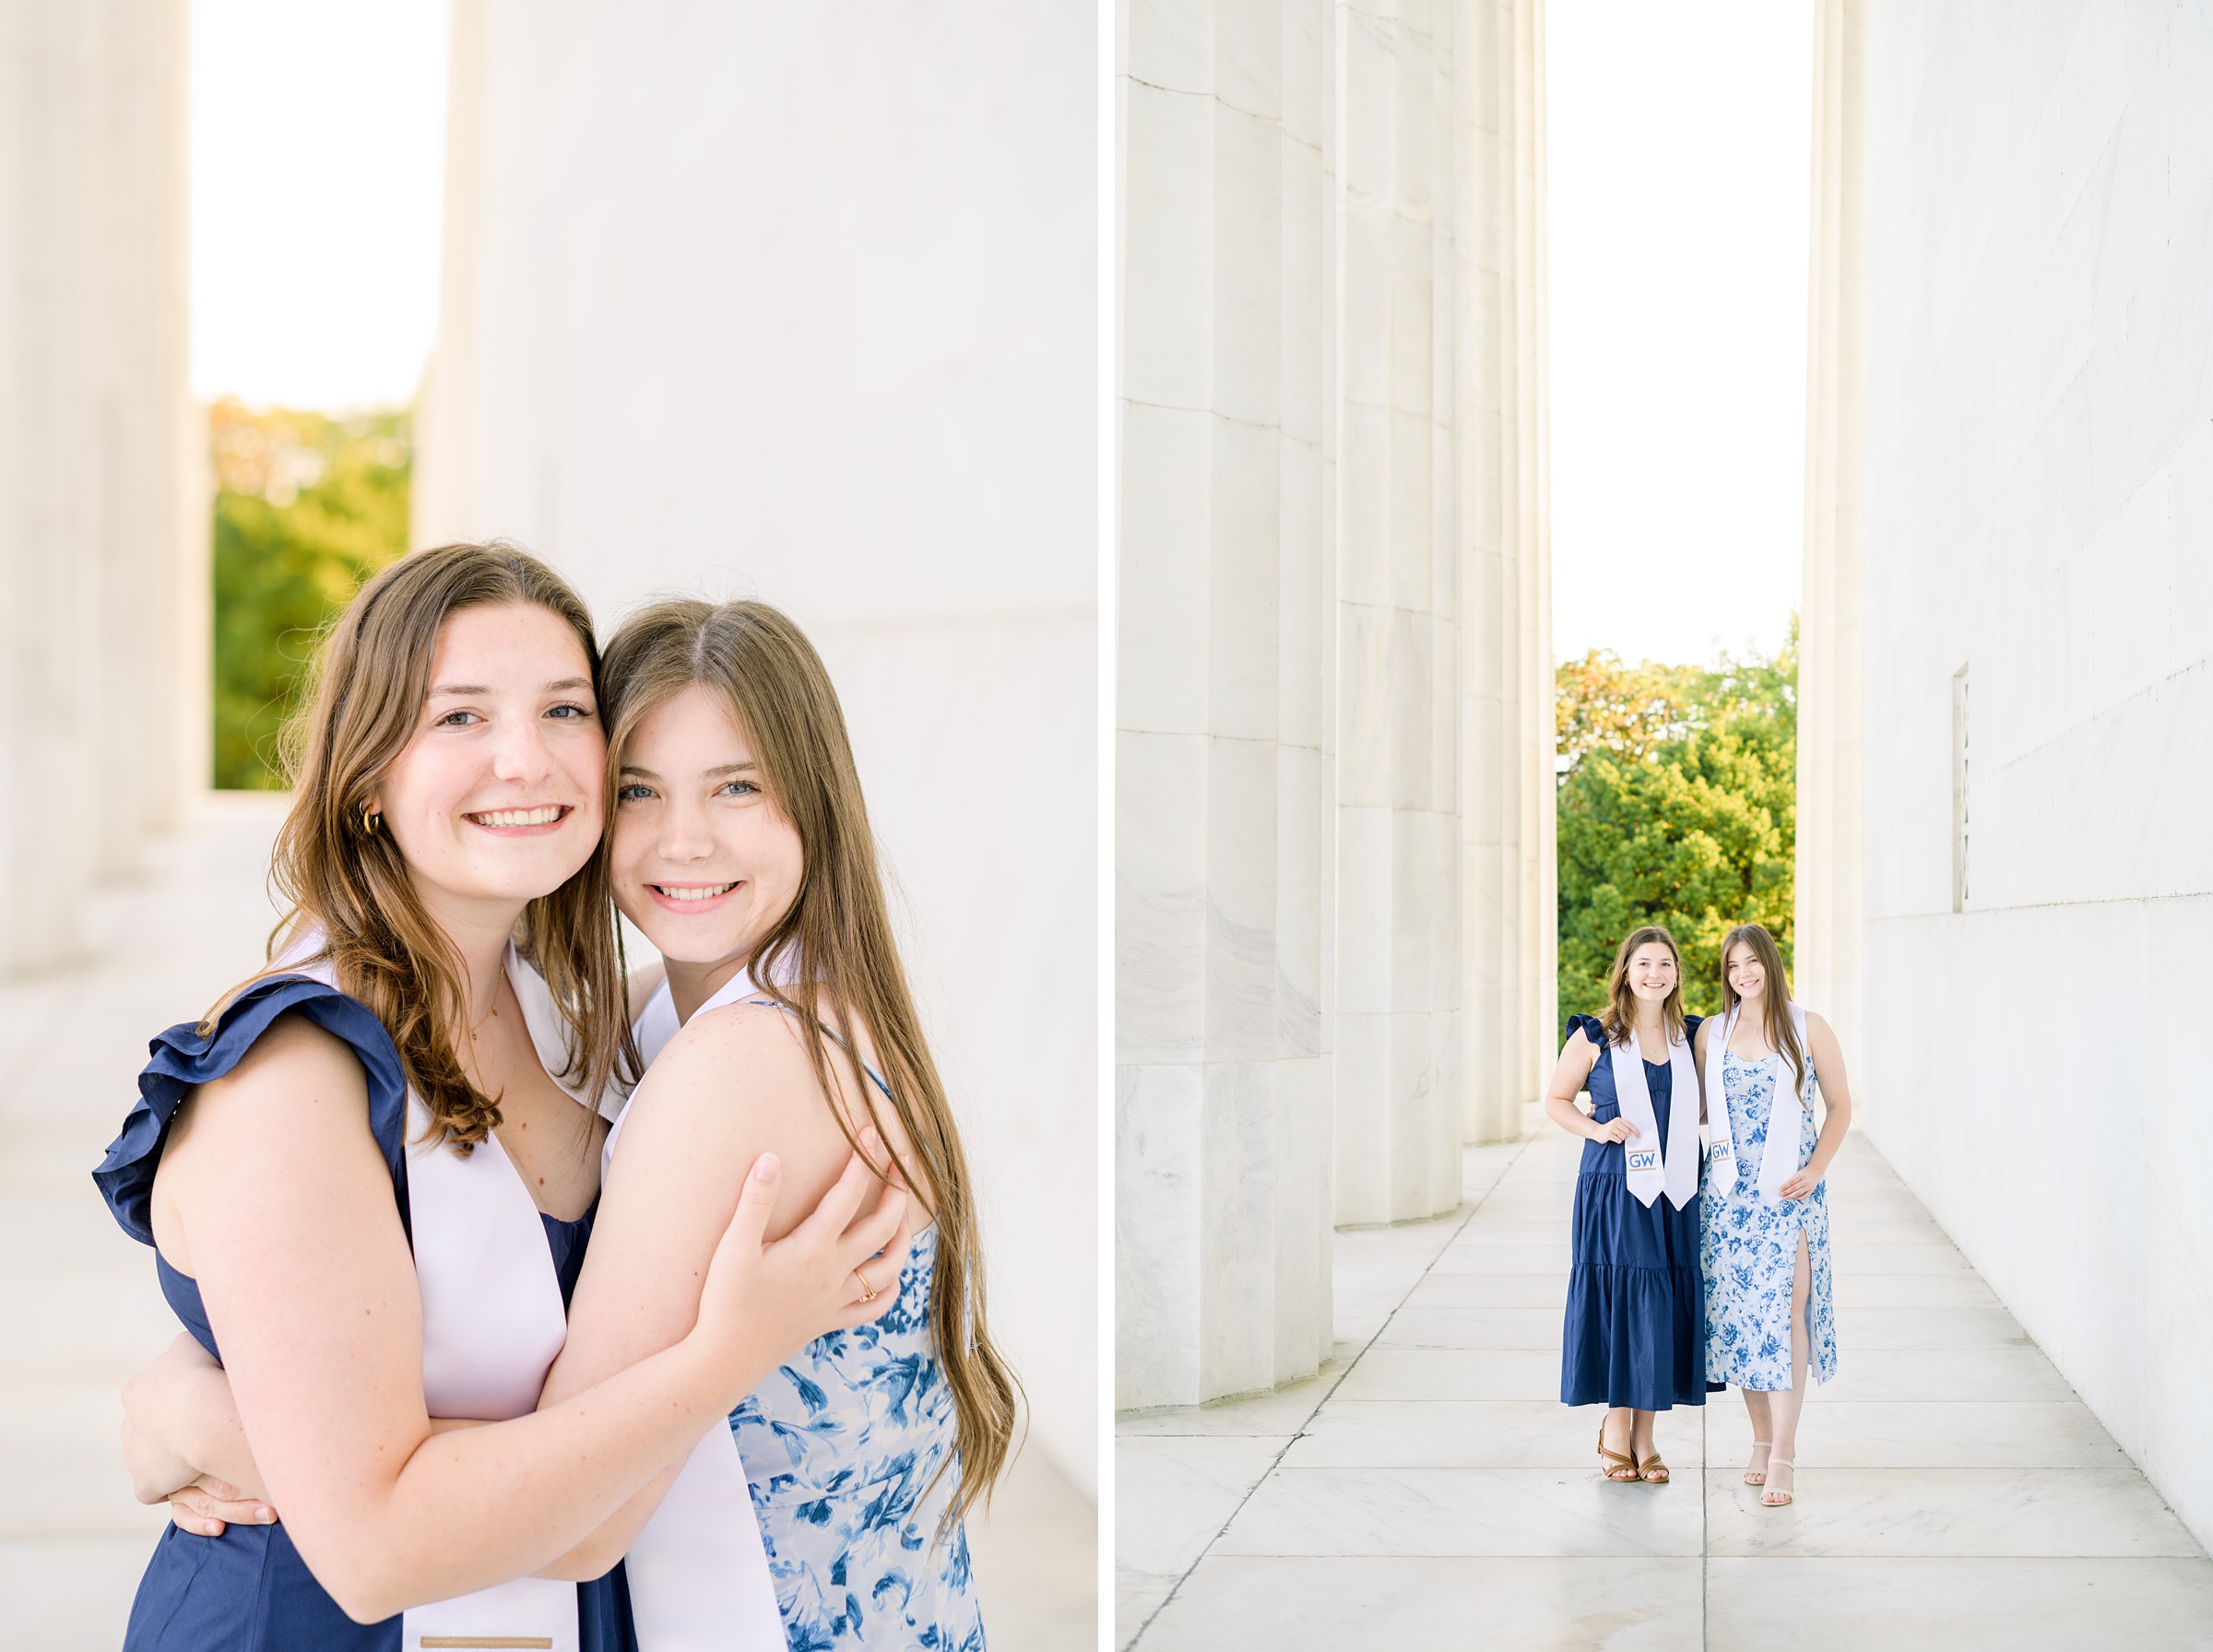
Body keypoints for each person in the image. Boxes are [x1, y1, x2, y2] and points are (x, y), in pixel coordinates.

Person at [98, 544, 907, 1649]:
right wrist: (731, 1349)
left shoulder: (580, 1028)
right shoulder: (292, 1074)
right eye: (461, 718)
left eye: (564, 709)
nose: (525, 759)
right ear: (367, 773)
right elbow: (375, 1545)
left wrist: (192, 1403)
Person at [539, 597, 1017, 1648]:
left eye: (737, 787)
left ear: (813, 801)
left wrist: (240, 1431)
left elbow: (570, 1520)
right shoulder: (716, 1006)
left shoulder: (742, 1059)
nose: (683, 839)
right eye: (638, 791)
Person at [1694, 922, 1851, 1508]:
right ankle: (1760, 1439)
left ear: (1770, 964)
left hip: (1790, 1193)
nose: (1743, 975)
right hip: (1729, 1196)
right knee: (1740, 1318)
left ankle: (1783, 1451)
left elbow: (1840, 1107)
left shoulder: (1808, 1028)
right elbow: (1697, 1108)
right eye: (1733, 966)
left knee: (1786, 1316)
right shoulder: (1712, 1032)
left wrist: (1815, 1169)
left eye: (1752, 963)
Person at [1543, 926, 1707, 1483]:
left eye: (1665, 964)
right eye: (1644, 964)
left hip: (1677, 1191)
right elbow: (1557, 1100)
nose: (1654, 974)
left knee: (1658, 1304)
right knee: (1623, 1298)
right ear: (1625, 971)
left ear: (1677, 974)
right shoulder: (1596, 1035)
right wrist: (1595, 1128)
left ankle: (1647, 1436)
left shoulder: (1693, 1037)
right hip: (1615, 1185)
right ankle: (1617, 1427)